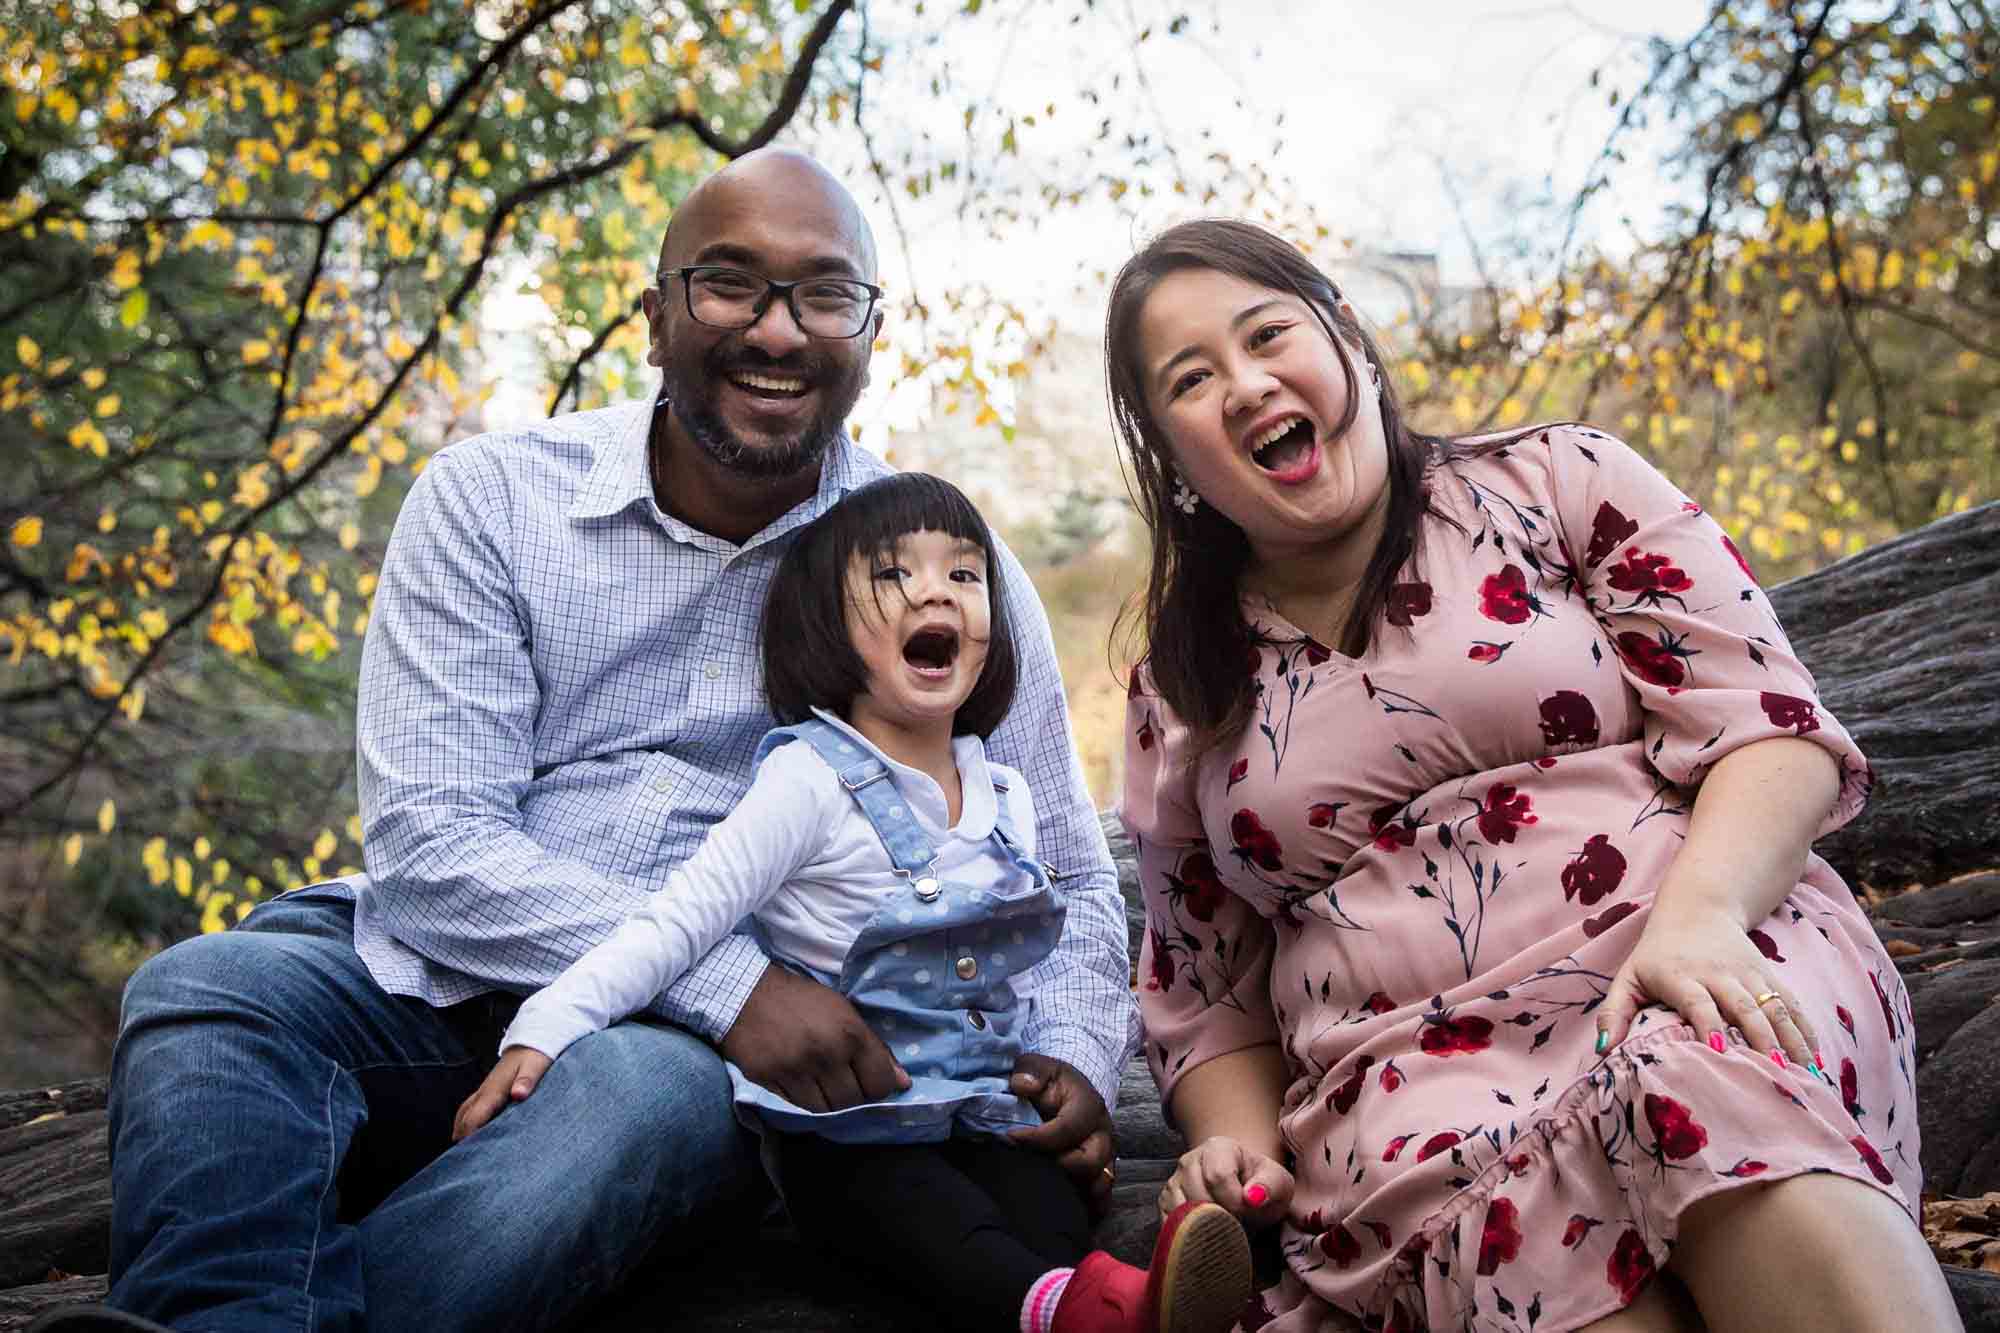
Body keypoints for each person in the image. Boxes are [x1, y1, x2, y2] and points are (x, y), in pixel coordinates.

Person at [55, 149, 1136, 1333]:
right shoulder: (489, 499)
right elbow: (432, 843)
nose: (777, 330)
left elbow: (1071, 871)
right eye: (728, 284)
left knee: (633, 1099)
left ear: (867, 335)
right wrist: (729, 984)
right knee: (208, 987)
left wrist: (1072, 1053)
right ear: (655, 316)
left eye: (824, 295)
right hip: (443, 982)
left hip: (674, 1060)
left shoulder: (940, 567)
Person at [1102, 219, 1959, 1333]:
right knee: (1505, 1236)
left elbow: (1771, 727)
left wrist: (1698, 921)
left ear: (1346, 337)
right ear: (1171, 454)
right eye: (1191, 379)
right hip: (1412, 1083)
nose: (1246, 383)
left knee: (1704, 1090)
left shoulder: (1556, 479)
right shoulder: (1177, 685)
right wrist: (1236, 1148)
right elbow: (1206, 997)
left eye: (1268, 334)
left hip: (1683, 946)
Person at [450, 470, 1251, 1333]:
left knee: (1046, 1203)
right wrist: (549, 1020)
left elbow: (1047, 944)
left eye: (964, 574)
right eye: (893, 574)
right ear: (828, 625)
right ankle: (1080, 1311)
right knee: (908, 1210)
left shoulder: (1005, 794)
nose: (934, 589)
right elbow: (677, 922)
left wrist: (1069, 1065)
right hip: (846, 1135)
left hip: (978, 1108)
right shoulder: (808, 779)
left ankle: (1074, 1296)